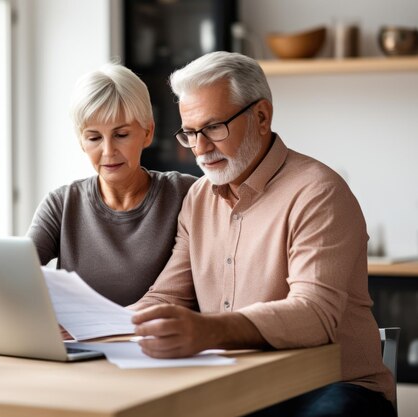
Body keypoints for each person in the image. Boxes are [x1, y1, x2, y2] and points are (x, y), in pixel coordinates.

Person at [129, 51, 396, 417]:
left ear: (261, 116)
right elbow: (166, 296)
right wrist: (92, 328)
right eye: (190, 133)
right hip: (239, 386)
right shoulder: (198, 198)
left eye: (213, 128)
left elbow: (314, 314)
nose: (201, 149)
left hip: (333, 389)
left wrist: (209, 331)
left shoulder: (318, 192)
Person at [27, 63, 197, 306]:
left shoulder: (185, 194)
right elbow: (19, 274)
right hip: (79, 344)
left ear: (148, 132)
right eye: (94, 138)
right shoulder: (61, 204)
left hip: (157, 342)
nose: (108, 151)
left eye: (121, 135)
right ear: (81, 141)